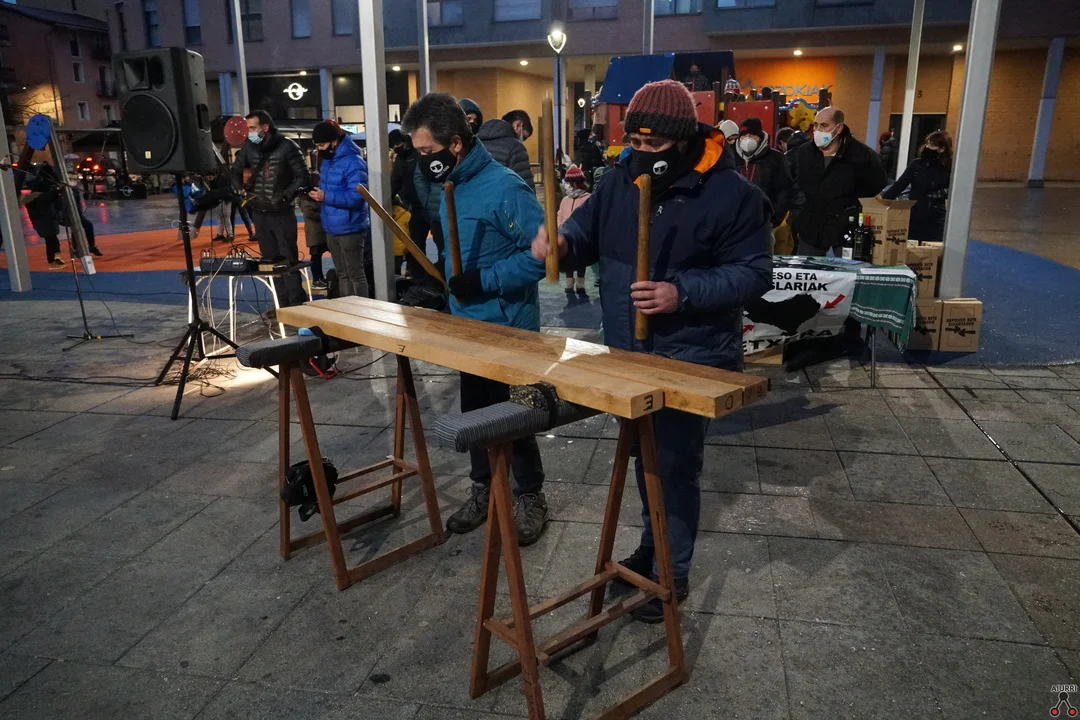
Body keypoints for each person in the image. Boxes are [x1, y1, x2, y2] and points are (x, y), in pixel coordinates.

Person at [531, 80, 772, 622]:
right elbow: (585, 234)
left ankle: (670, 570)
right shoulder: (621, 178)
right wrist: (562, 244)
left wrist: (680, 292)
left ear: (683, 139)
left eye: (655, 144)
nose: (642, 152)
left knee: (674, 466)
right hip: (628, 349)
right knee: (646, 458)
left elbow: (754, 274)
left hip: (692, 356)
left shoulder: (732, 195)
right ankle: (652, 542)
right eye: (635, 141)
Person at [401, 92, 550, 545]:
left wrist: (484, 280)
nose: (422, 159)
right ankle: (484, 488)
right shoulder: (451, 184)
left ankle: (530, 495)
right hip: (468, 325)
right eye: (417, 151)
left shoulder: (505, 187)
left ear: (455, 143)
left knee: (515, 418)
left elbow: (543, 256)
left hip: (508, 326)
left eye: (427, 150)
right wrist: (442, 280)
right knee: (476, 412)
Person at [230, 109, 310, 308]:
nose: (249, 132)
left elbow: (303, 176)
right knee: (270, 263)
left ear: (265, 127)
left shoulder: (288, 146)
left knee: (288, 261)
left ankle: (296, 305)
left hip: (282, 213)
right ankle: (280, 306)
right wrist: (240, 189)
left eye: (252, 128)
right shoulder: (248, 147)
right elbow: (235, 171)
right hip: (260, 213)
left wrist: (285, 195)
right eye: (248, 128)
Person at [790, 107, 887, 257]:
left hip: (846, 229)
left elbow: (877, 184)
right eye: (816, 125)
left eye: (824, 125)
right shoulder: (805, 152)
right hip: (811, 227)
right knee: (806, 269)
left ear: (839, 128)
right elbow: (799, 184)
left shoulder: (862, 155)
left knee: (848, 270)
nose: (818, 130)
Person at [309, 121, 370, 298]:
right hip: (331, 227)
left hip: (351, 227)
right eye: (317, 146)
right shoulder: (328, 161)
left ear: (334, 141)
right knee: (342, 274)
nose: (320, 149)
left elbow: (357, 197)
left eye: (322, 145)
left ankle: (362, 310)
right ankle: (346, 309)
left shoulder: (354, 162)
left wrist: (325, 196)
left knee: (355, 274)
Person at [881, 130, 952, 241]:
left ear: (942, 149)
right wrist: (882, 199)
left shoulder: (948, 166)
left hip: (936, 217)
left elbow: (952, 189)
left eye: (932, 145)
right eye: (927, 143)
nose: (927, 147)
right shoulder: (917, 164)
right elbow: (900, 184)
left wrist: (939, 193)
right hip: (915, 214)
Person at [734, 117, 793, 235]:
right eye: (744, 135)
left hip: (764, 226)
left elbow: (784, 190)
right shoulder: (732, 158)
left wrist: (773, 220)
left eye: (752, 135)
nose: (747, 139)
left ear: (760, 137)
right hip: (735, 226)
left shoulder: (775, 158)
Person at [22, 162, 65, 268]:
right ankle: (53, 260)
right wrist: (60, 188)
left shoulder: (31, 199)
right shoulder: (41, 198)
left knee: (51, 241)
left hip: (41, 224)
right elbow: (52, 195)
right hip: (47, 223)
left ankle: (53, 259)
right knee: (52, 242)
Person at [477, 112, 535, 189]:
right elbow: (525, 187)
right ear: (518, 125)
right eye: (524, 137)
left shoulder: (474, 144)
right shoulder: (515, 147)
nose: (522, 140)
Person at [557, 165, 591, 294]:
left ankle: (580, 282)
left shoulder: (587, 198)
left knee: (582, 257)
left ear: (576, 183)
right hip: (566, 234)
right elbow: (560, 214)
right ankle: (569, 281)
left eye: (569, 183)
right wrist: (559, 226)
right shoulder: (565, 200)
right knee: (568, 257)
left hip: (581, 234)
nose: (567, 185)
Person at [297, 171, 328, 290]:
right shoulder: (306, 198)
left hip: (319, 232)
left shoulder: (311, 196)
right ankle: (316, 280)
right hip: (314, 233)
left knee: (317, 256)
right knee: (315, 257)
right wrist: (324, 216)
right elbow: (309, 214)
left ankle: (320, 278)